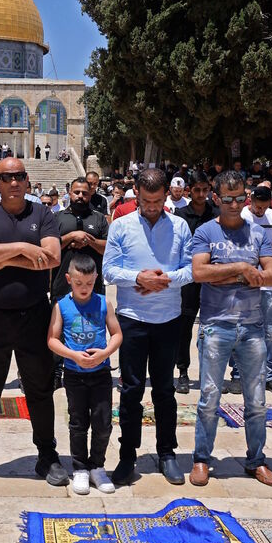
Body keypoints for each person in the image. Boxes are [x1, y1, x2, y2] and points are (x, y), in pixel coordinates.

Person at [0, 157, 64, 487]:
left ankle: (46, 455)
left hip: (34, 315)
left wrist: (0, 257)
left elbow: (52, 258)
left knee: (40, 389)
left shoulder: (42, 214)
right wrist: (21, 248)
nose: (14, 182)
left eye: (19, 176)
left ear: (27, 179)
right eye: (7, 177)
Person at [188, 172, 272, 488]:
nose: (234, 204)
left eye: (240, 197)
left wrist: (224, 276)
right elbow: (199, 272)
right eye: (227, 198)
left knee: (256, 399)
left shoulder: (258, 234)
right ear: (216, 198)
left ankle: (256, 460)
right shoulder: (205, 232)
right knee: (209, 397)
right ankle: (202, 458)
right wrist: (242, 269)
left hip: (253, 325)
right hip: (216, 326)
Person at [103, 168, 194, 486]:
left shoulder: (180, 226)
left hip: (168, 319)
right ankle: (127, 455)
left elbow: (191, 270)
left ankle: (167, 453)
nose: (152, 207)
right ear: (136, 196)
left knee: (165, 390)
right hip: (132, 319)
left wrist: (164, 280)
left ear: (167, 195)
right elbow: (110, 271)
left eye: (157, 201)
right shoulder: (121, 225)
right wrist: (138, 278)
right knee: (130, 390)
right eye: (146, 201)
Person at [48, 253, 122, 495]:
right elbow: (52, 340)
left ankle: (97, 466)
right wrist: (73, 355)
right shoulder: (62, 305)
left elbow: (117, 334)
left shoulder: (103, 303)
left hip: (101, 374)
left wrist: (104, 353)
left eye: (89, 283)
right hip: (74, 375)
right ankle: (79, 467)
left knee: (103, 422)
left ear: (96, 279)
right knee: (78, 422)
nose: (84, 288)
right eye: (79, 283)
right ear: (69, 279)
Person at [52, 178, 110, 389]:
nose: (80, 196)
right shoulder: (57, 218)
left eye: (84, 193)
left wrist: (89, 240)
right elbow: (50, 248)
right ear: (69, 192)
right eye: (76, 192)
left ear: (91, 193)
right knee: (58, 330)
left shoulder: (99, 219)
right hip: (62, 284)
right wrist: (70, 237)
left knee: (91, 327)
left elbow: (108, 248)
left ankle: (94, 365)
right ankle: (57, 371)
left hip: (91, 286)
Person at [237, 185, 272, 395]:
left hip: (268, 283)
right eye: (257, 207)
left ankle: (269, 374)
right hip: (244, 282)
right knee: (239, 329)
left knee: (268, 331)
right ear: (250, 200)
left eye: (264, 208)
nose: (260, 211)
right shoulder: (240, 215)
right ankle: (238, 375)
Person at [172, 173, 214, 394]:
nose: (200, 194)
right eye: (196, 190)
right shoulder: (180, 215)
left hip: (212, 280)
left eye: (204, 190)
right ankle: (183, 372)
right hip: (188, 279)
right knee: (184, 328)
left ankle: (210, 374)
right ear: (189, 191)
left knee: (212, 329)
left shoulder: (216, 214)